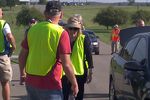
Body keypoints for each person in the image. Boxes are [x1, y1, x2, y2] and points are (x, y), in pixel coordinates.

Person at [18, 1, 78, 100]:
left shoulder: (32, 30)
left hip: (31, 82)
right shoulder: (61, 33)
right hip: (51, 83)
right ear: (61, 14)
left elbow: (22, 56)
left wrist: (22, 73)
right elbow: (66, 64)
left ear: (45, 13)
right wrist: (74, 83)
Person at [62, 16, 94, 100]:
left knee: (79, 96)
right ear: (67, 28)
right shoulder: (62, 38)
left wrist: (90, 72)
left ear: (79, 29)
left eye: (75, 29)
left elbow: (89, 55)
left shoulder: (84, 38)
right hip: (65, 72)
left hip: (79, 73)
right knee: (64, 95)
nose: (73, 31)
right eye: (71, 28)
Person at [0, 8, 16, 100]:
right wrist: (13, 47)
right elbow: (9, 36)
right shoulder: (3, 24)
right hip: (2, 56)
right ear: (1, 14)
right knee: (5, 83)